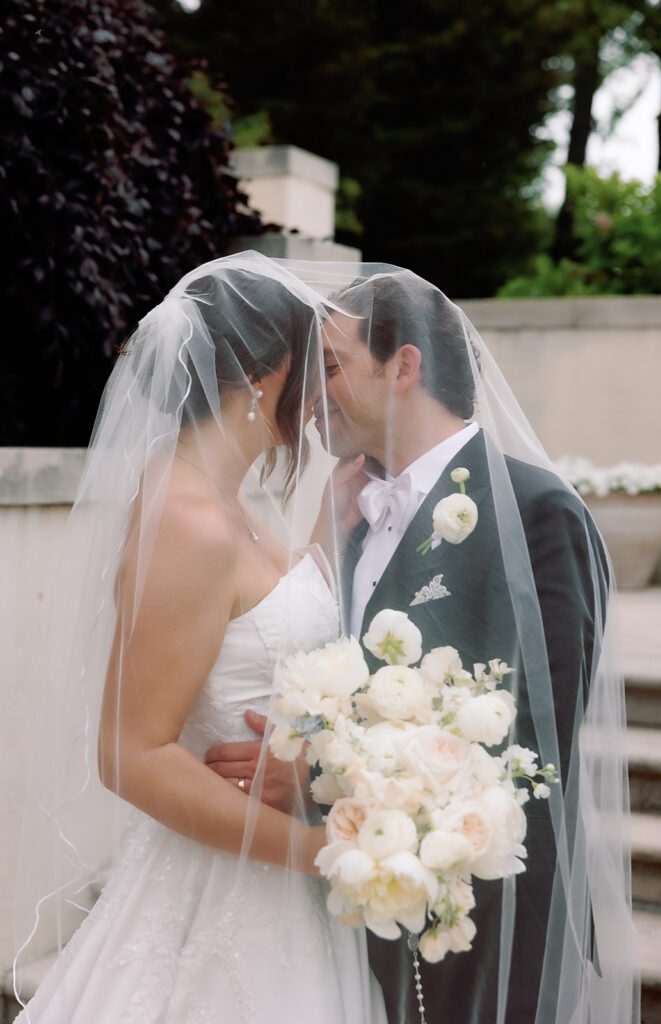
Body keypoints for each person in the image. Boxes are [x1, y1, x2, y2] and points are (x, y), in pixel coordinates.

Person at [207, 263, 639, 1024]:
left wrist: (319, 776)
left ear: (403, 365)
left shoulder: (538, 512)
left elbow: (537, 739)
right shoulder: (346, 509)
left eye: (331, 367)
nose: (309, 398)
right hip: (354, 911)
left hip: (485, 923)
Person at [12, 253, 387, 1024]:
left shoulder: (223, 497)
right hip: (229, 884)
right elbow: (130, 755)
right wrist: (321, 850)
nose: (323, 388)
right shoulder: (185, 518)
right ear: (265, 373)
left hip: (274, 875)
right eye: (313, 361)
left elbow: (259, 615)